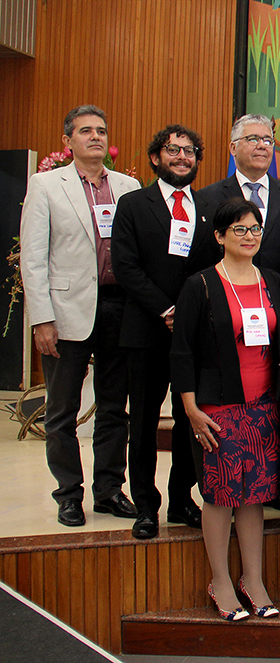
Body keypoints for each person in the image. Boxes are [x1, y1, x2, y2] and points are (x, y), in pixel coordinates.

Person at [21, 105, 140, 528]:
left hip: (119, 310)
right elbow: (33, 259)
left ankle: (109, 490)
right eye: (85, 131)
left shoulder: (129, 186)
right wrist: (42, 319)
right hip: (66, 313)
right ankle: (69, 494)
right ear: (67, 141)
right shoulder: (46, 184)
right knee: (62, 411)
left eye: (102, 131)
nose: (95, 137)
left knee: (113, 408)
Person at [172, 198, 280, 622]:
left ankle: (253, 580)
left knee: (255, 497)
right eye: (239, 229)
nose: (249, 236)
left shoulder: (271, 281)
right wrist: (189, 408)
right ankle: (220, 580)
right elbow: (181, 351)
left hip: (262, 407)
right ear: (220, 236)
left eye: (255, 228)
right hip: (217, 408)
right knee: (220, 497)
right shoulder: (200, 284)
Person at [112, 125, 217, 539]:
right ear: (156, 156)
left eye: (189, 151)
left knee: (193, 419)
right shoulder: (133, 204)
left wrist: (191, 314)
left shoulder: (210, 207)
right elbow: (126, 267)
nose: (181, 157)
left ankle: (180, 499)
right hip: (147, 331)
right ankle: (145, 506)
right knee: (142, 422)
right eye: (172, 150)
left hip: (194, 337)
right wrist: (165, 308)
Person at [199, 115, 280, 308]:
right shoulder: (209, 197)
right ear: (233, 148)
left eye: (268, 140)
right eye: (253, 139)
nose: (262, 146)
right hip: (225, 305)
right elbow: (205, 255)